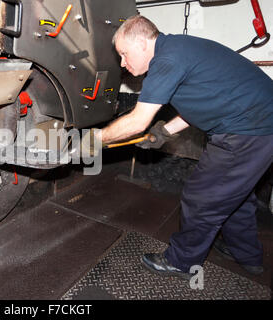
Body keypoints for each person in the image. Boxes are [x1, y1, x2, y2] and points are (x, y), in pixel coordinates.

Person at [95, 14, 273, 279]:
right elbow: (200, 103)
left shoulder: (166, 60)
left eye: (124, 53)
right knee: (236, 194)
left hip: (247, 130)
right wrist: (164, 131)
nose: (123, 62)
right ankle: (246, 254)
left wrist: (94, 140)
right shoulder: (178, 49)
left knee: (202, 197)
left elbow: (136, 121)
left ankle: (182, 262)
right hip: (258, 125)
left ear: (142, 43)